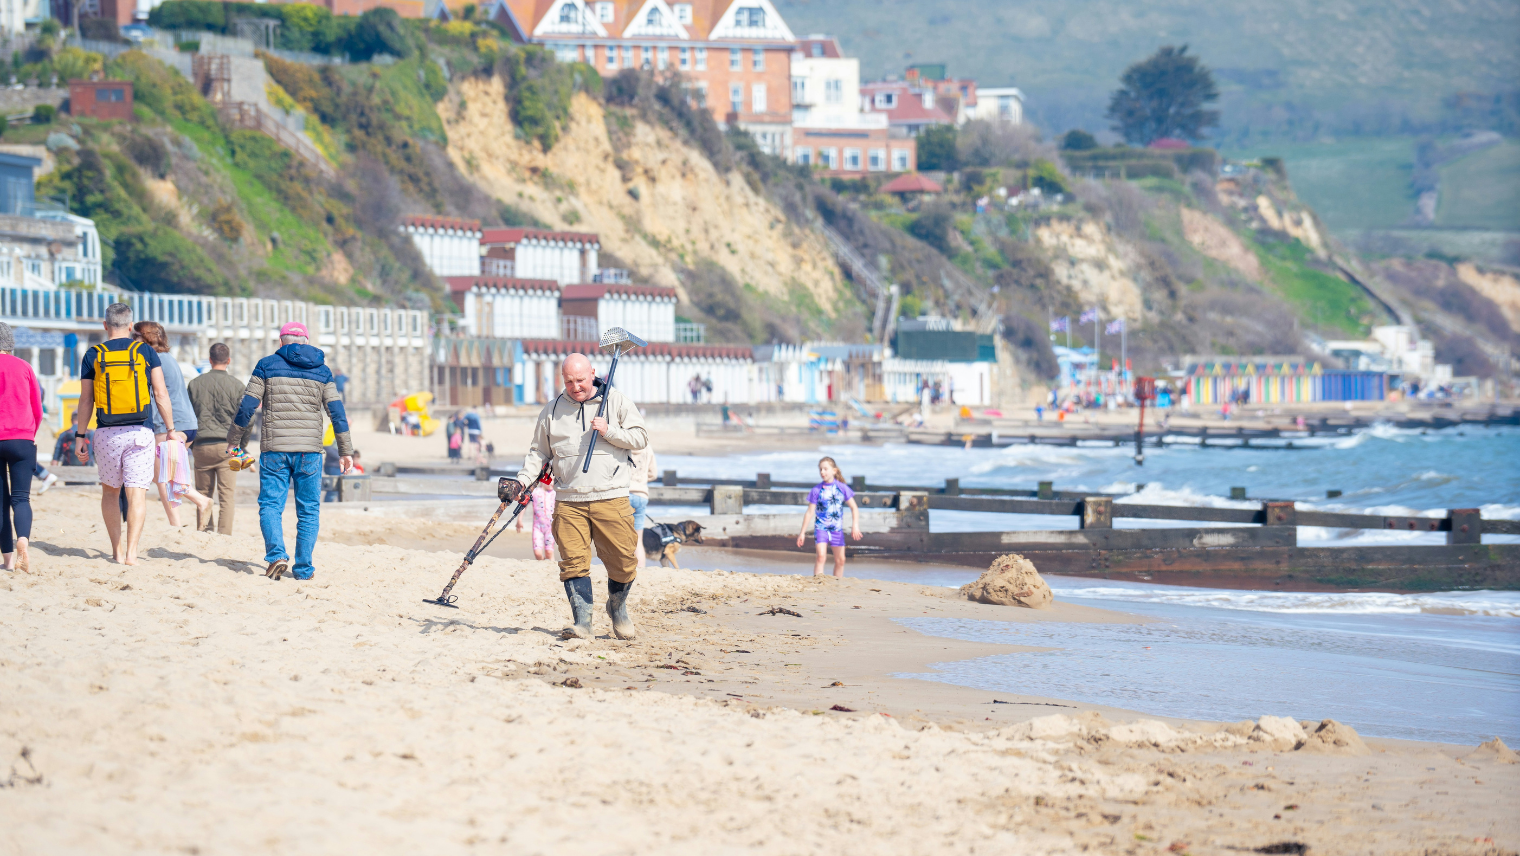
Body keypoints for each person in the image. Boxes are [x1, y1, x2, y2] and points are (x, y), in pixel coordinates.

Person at [501, 353, 648, 640]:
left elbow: (640, 437)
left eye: (580, 380)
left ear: (592, 373)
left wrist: (610, 431)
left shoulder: (615, 401)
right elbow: (538, 453)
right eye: (569, 381)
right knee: (573, 562)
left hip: (611, 496)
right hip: (568, 499)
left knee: (623, 560)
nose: (575, 386)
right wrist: (522, 481)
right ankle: (583, 622)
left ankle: (617, 608)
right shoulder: (552, 410)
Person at [228, 321, 353, 581]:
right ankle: (304, 569)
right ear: (306, 341)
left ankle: (276, 556)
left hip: (275, 449)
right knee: (308, 510)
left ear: (281, 341)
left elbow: (247, 406)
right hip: (309, 451)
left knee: (271, 505)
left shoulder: (267, 365)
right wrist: (345, 451)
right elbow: (337, 413)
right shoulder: (323, 370)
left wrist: (235, 441)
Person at [73, 303, 178, 566]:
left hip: (107, 434)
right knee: (137, 494)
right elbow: (161, 393)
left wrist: (79, 435)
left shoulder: (93, 354)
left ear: (105, 325)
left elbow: (86, 400)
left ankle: (116, 552)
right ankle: (132, 554)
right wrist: (171, 429)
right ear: (130, 326)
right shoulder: (144, 351)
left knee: (110, 493)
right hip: (140, 433)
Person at [136, 322, 210, 527]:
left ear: (145, 339)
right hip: (187, 421)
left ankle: (187, 513)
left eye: (136, 337)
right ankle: (185, 512)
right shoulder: (168, 358)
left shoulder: (152, 360)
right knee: (163, 473)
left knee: (162, 475)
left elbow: (158, 394)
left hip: (170, 422)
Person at [187, 342, 248, 535]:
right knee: (227, 496)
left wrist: (191, 444)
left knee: (202, 493)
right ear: (228, 361)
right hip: (228, 446)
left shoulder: (195, 384)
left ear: (210, 359)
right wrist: (242, 446)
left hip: (202, 445)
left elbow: (187, 416)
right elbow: (248, 417)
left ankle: (205, 531)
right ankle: (224, 536)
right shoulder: (237, 385)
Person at [0, 322, 42, 572]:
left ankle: (7, 560)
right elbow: (37, 407)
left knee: (0, 501)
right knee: (21, 499)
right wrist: (30, 434)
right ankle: (23, 540)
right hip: (22, 439)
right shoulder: (24, 367)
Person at [795, 456, 862, 578]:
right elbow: (810, 512)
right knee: (821, 556)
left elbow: (854, 508)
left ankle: (837, 582)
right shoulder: (816, 490)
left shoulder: (842, 488)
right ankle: (818, 583)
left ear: (834, 471)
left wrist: (855, 526)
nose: (822, 472)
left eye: (825, 469)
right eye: (820, 469)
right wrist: (802, 533)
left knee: (841, 560)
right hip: (821, 528)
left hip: (837, 530)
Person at [628, 442, 657, 569]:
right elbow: (653, 474)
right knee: (638, 538)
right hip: (641, 494)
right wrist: (642, 479)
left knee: (620, 536)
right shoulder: (647, 448)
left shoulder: (621, 445)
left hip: (624, 493)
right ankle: (641, 569)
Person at [515, 478, 557, 561]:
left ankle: (552, 569)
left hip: (551, 528)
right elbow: (524, 505)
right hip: (537, 527)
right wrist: (519, 519)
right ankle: (543, 564)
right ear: (542, 480)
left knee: (549, 552)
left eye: (554, 480)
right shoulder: (535, 492)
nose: (552, 483)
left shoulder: (555, 493)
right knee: (537, 553)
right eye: (550, 480)